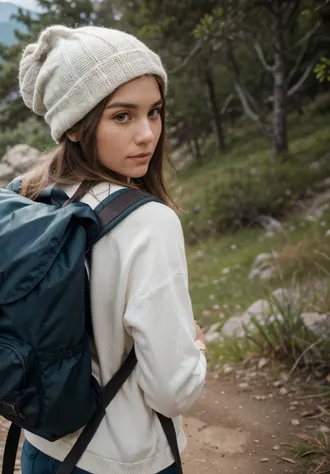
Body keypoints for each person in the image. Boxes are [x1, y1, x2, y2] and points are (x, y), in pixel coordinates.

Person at [16, 24, 207, 474]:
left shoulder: (35, 195)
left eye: (154, 112)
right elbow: (171, 390)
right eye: (122, 116)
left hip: (43, 447)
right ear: (77, 126)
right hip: (124, 460)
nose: (146, 134)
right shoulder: (149, 222)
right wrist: (195, 348)